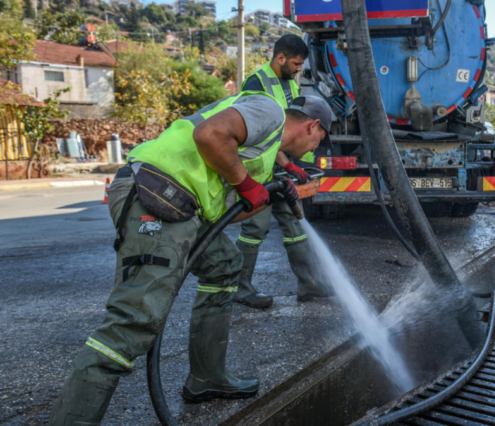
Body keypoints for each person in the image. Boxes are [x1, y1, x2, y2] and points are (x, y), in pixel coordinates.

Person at [48, 94, 332, 425]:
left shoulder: (265, 151)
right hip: (156, 191)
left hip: (181, 204)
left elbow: (226, 213)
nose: (314, 151)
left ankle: (207, 377)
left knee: (224, 264)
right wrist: (247, 184)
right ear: (312, 126)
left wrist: (266, 194)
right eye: (319, 141)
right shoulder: (268, 110)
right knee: (133, 321)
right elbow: (208, 135)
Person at [234, 35, 328, 308]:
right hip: (259, 167)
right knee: (256, 226)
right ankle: (240, 288)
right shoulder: (256, 82)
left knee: (294, 222)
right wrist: (287, 163)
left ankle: (310, 283)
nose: (300, 69)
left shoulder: (288, 81)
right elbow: (260, 131)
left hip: (278, 167)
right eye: (297, 64)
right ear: (281, 58)